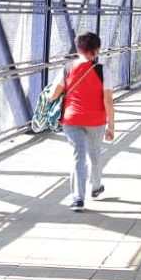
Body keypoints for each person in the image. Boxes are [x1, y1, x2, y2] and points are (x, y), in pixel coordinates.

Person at [49, 32, 115, 212]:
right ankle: (96, 186)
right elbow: (108, 101)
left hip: (72, 119)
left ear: (78, 49)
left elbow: (53, 95)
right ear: (97, 49)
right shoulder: (103, 70)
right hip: (96, 120)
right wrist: (111, 126)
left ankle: (78, 198)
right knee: (95, 154)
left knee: (78, 156)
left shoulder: (67, 68)